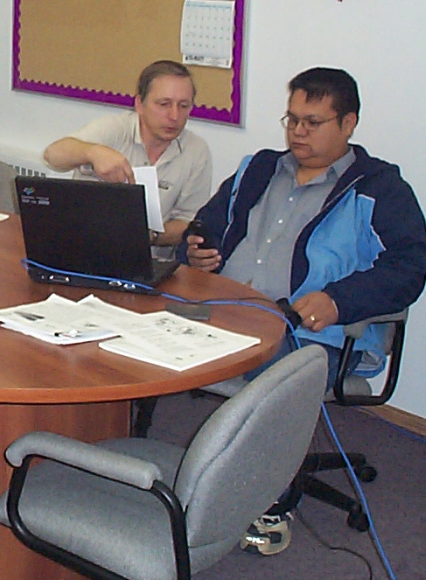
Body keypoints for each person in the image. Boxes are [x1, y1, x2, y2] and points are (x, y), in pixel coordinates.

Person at [180, 66, 426, 555]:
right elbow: (209, 220)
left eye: (313, 122)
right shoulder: (259, 168)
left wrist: (339, 300)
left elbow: (411, 265)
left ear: (349, 123)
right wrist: (199, 247)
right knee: (134, 326)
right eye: (292, 120)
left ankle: (265, 497)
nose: (298, 132)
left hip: (314, 338)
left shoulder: (380, 188)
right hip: (227, 311)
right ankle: (143, 466)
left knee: (270, 377)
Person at [43, 59, 212, 256]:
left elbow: (189, 222)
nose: (174, 116)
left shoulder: (196, 151)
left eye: (184, 105)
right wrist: (93, 152)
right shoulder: (115, 129)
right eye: (164, 104)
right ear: (140, 104)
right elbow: (52, 155)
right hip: (87, 249)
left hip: (150, 261)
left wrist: (148, 236)